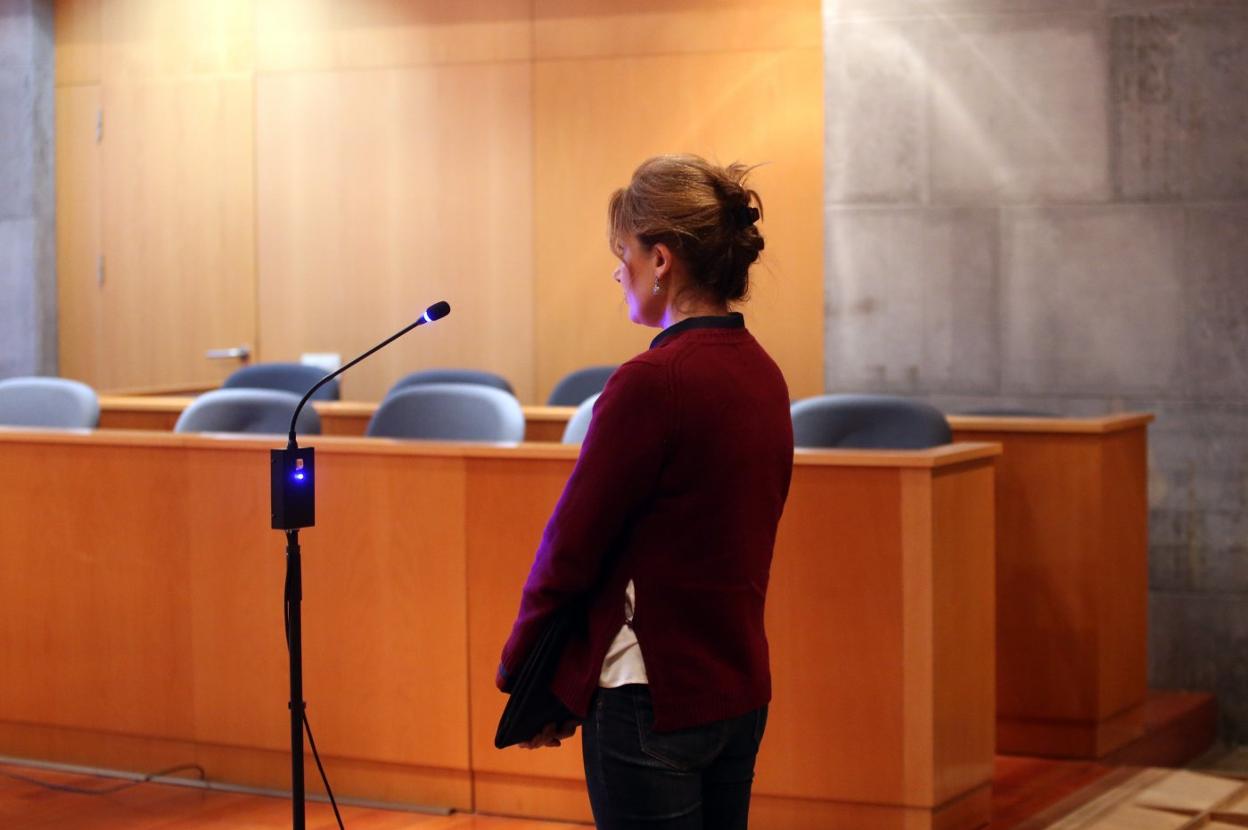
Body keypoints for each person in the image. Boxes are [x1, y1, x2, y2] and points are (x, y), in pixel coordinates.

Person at [496, 154, 794, 829]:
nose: (617, 271)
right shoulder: (763, 373)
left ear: (661, 259)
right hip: (737, 688)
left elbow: (570, 549)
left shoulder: (651, 382)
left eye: (622, 252)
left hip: (649, 696)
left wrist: (527, 676)